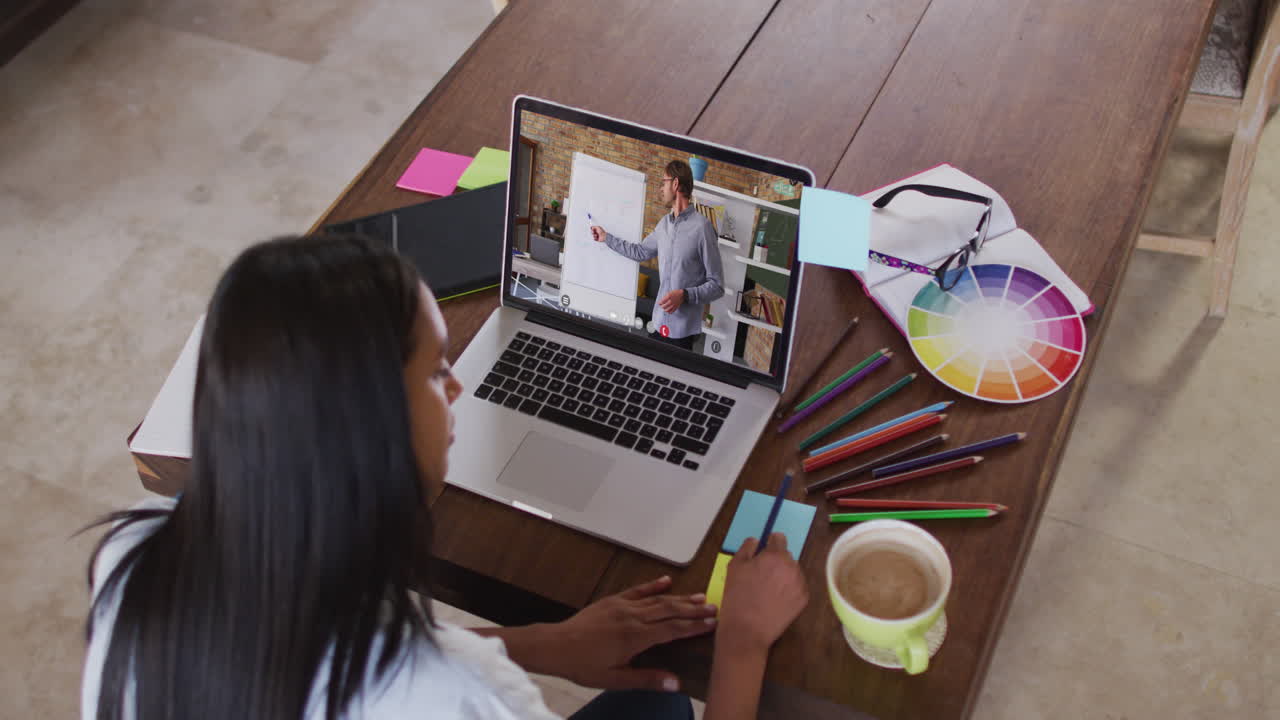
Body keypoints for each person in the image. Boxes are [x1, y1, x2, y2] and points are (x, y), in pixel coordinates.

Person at [82, 234, 807, 720]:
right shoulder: (453, 700)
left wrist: (546, 645)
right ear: (371, 430)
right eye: (434, 370)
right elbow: (423, 681)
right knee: (668, 702)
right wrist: (742, 644)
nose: (458, 385)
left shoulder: (135, 557)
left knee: (650, 703)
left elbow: (330, 656)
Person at [590, 160, 723, 351]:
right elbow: (639, 251)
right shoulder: (664, 225)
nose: (660, 188)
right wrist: (606, 238)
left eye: (663, 182)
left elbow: (717, 285)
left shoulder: (703, 228)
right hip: (659, 323)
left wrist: (684, 295)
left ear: (676, 184)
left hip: (682, 334)